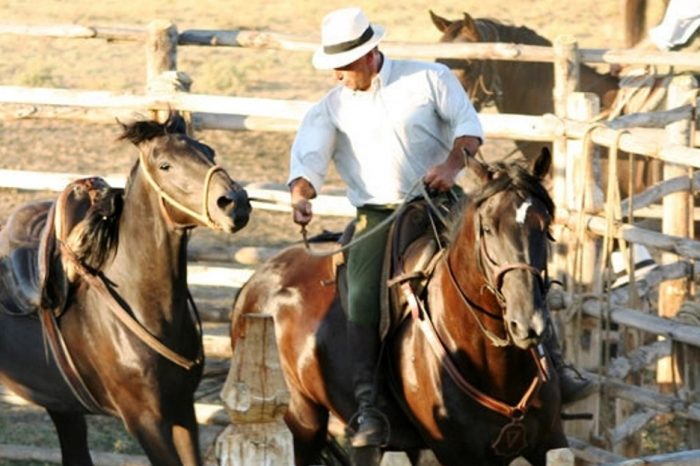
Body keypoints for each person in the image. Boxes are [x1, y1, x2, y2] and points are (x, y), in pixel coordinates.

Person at [288, 7, 589, 449]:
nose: (337, 74)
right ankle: (370, 402)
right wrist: (301, 193)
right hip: (379, 214)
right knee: (363, 288)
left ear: (370, 55)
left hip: (446, 201)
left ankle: (554, 367)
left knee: (514, 260)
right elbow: (308, 158)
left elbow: (468, 131)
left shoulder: (430, 79)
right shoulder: (330, 108)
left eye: (345, 64)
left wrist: (451, 166)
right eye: (333, 65)